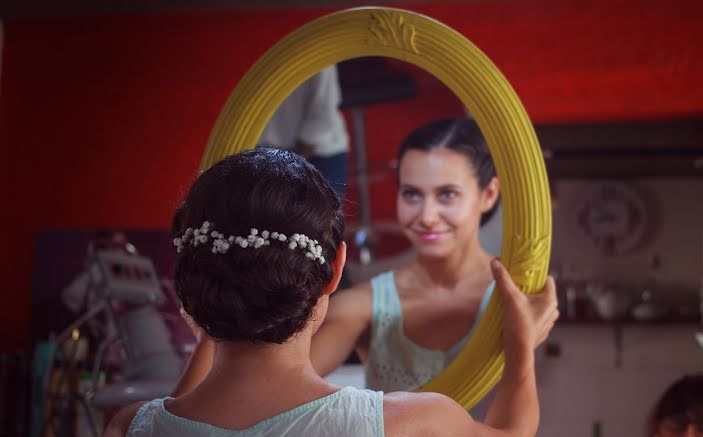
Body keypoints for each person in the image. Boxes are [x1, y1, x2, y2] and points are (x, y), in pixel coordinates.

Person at [101, 147, 558, 437]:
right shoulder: (410, 431)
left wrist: (215, 319)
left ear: (188, 280)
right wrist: (520, 349)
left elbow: (182, 421)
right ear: (335, 269)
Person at [175, 117, 502, 395]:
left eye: (447, 194)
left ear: (488, 195)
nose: (427, 215)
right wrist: (213, 330)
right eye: (411, 194)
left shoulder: (520, 294)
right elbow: (255, 393)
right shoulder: (364, 306)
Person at [258, 65, 350, 198]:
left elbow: (324, 114)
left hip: (318, 151)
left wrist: (293, 165)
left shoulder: (318, 51)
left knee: (320, 215)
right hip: (268, 150)